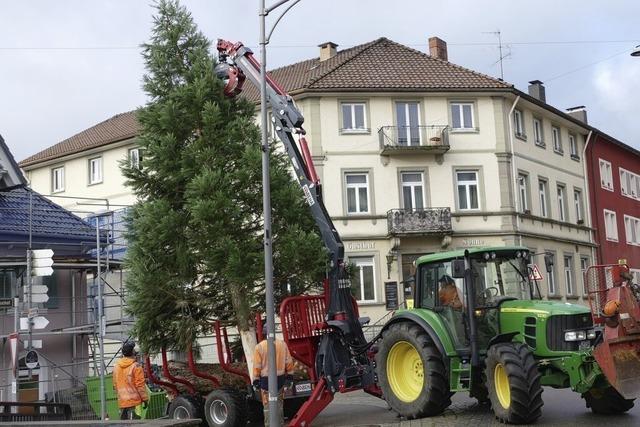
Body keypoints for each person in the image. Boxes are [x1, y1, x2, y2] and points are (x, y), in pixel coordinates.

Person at [252, 323, 295, 426]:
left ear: (264, 333)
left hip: (266, 382)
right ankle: (280, 424)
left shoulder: (259, 347)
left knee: (268, 408)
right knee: (279, 406)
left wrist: (255, 381)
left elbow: (256, 366)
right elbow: (289, 362)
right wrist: (290, 377)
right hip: (280, 380)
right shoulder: (282, 344)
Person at [113, 340, 148, 420]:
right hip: (134, 402)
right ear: (133, 352)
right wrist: (145, 399)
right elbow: (140, 385)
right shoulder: (136, 366)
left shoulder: (116, 367)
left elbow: (115, 385)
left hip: (122, 402)